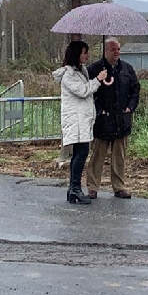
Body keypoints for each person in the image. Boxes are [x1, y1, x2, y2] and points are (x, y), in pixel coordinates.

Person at [52, 41, 107, 204]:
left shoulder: (80, 71)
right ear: (77, 54)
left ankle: (73, 189)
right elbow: (83, 91)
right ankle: (74, 188)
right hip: (75, 119)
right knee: (81, 153)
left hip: (82, 118)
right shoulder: (69, 74)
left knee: (80, 153)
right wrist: (98, 79)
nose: (87, 55)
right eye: (84, 52)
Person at [86, 37, 141, 199]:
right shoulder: (94, 69)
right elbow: (88, 93)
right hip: (102, 122)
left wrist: (130, 107)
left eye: (118, 49)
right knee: (97, 156)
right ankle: (92, 187)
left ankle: (119, 187)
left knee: (119, 157)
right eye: (113, 49)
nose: (117, 52)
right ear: (106, 51)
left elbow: (135, 89)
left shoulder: (127, 69)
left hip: (121, 121)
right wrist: (99, 110)